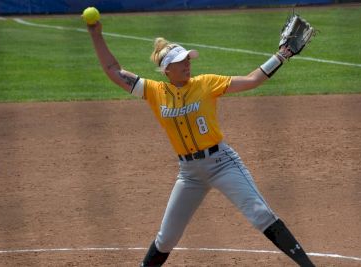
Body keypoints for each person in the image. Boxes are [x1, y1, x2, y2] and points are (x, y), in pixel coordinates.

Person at [87, 21, 315, 267]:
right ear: (167, 70)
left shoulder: (205, 83)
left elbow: (252, 80)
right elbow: (113, 70)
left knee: (260, 214)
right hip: (189, 175)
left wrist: (280, 55)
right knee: (166, 239)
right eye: (181, 61)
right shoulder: (153, 91)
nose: (188, 63)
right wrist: (96, 35)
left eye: (188, 59)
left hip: (222, 164)